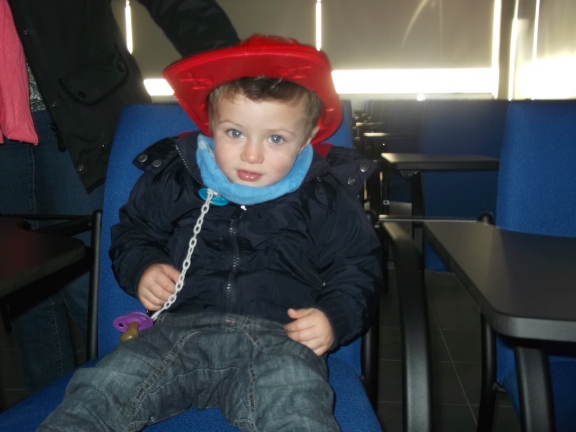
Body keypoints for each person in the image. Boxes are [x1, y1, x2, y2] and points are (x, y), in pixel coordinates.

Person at [39, 35, 383, 431]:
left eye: (275, 138)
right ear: (211, 125)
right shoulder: (178, 175)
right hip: (174, 334)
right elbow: (134, 233)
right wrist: (144, 266)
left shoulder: (324, 195)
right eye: (234, 133)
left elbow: (357, 267)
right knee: (102, 392)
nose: (251, 154)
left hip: (280, 340)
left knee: (296, 408)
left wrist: (334, 316)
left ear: (306, 139)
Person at [0, 0, 238, 394]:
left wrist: (233, 69)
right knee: (22, 291)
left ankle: (122, 398)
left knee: (89, 282)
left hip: (77, 112)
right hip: (4, 126)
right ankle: (51, 408)